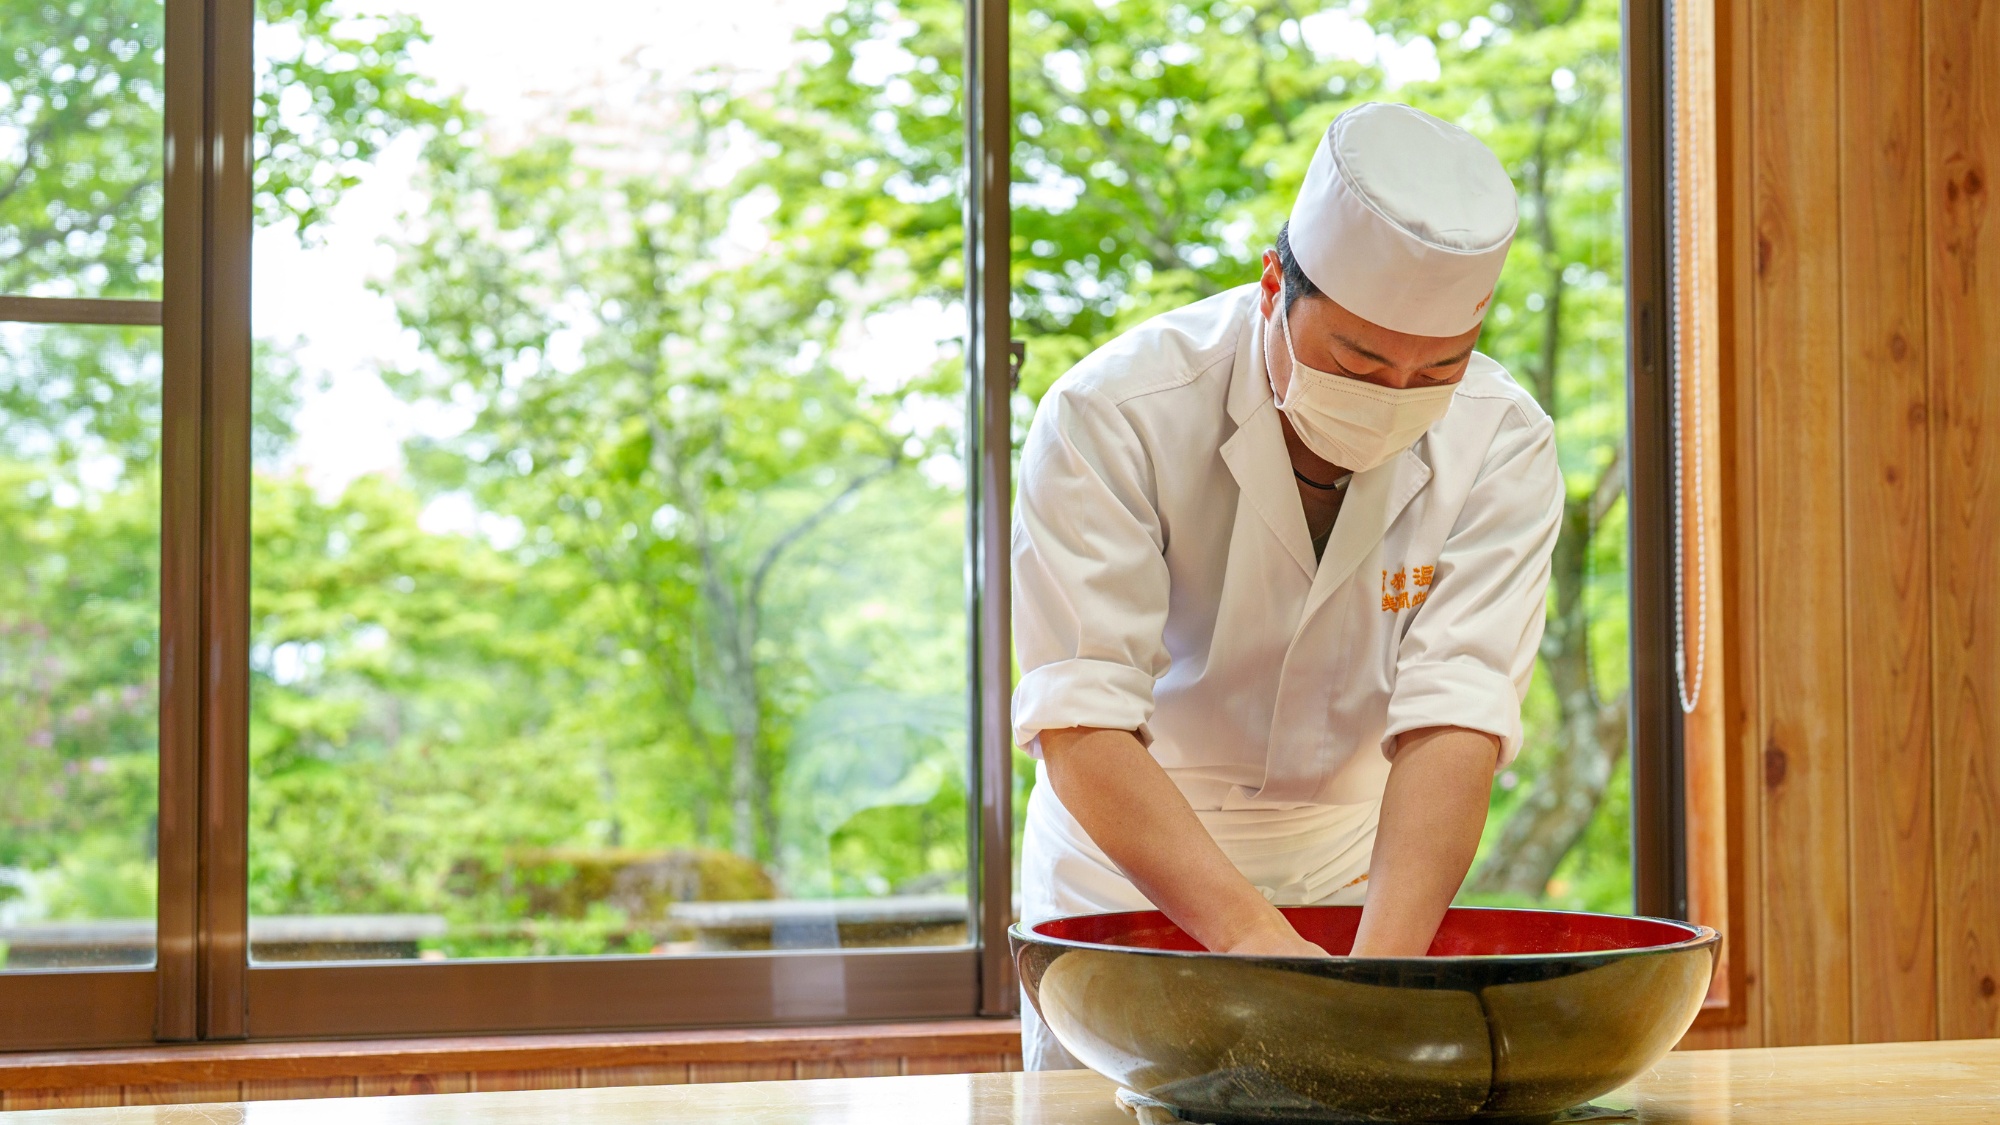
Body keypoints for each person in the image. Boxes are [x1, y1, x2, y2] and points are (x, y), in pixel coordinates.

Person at [1010, 102, 1565, 1070]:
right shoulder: (1114, 414)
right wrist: (1257, 943)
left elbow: (1456, 719)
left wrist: (1373, 988)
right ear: (1273, 285)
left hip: (1359, 878)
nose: (1393, 395)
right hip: (1128, 877)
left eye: (1434, 370)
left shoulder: (1501, 441)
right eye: (1358, 360)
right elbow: (1080, 722)